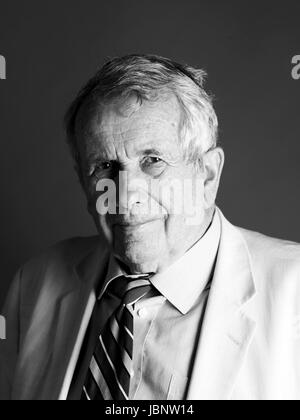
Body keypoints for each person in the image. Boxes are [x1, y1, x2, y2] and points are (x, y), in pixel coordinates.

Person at [0, 54, 299, 400]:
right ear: (82, 179)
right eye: (104, 166)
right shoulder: (34, 284)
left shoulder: (294, 293)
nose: (125, 195)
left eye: (152, 161)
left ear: (207, 174)